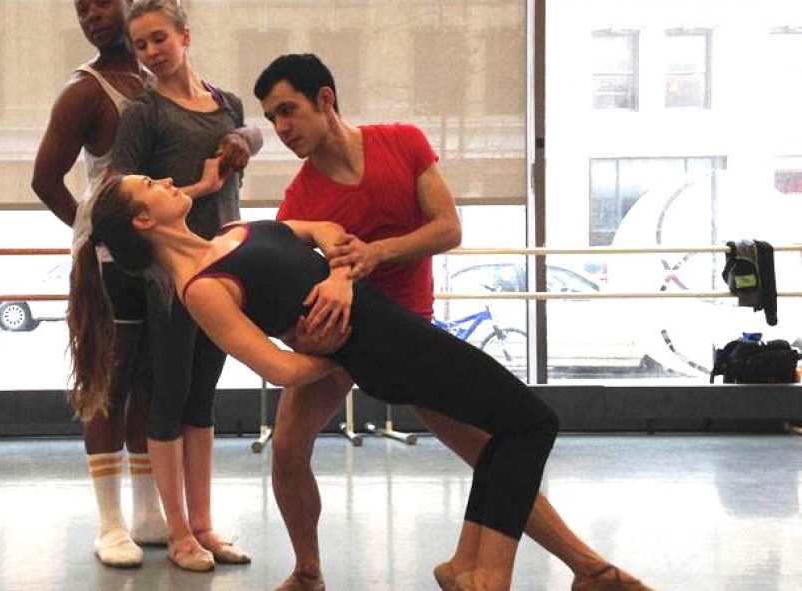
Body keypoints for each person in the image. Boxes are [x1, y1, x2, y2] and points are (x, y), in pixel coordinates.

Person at [252, 53, 658, 591]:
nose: (281, 128)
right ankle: (308, 572)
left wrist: (375, 254)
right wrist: (304, 336)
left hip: (409, 335)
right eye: (272, 118)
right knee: (286, 447)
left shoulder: (403, 143)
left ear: (325, 99)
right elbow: (292, 287)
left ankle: (586, 568)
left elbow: (448, 228)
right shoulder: (300, 201)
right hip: (347, 337)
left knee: (493, 447)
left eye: (288, 110)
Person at [73, 172, 561, 591]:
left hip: (389, 326)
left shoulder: (231, 230)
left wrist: (338, 274)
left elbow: (321, 229)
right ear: (143, 220)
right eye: (150, 184)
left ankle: (466, 565)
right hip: (383, 349)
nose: (166, 181)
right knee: (533, 424)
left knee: (509, 432)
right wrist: (335, 354)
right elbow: (278, 368)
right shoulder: (201, 289)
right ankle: (487, 578)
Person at [107, 0, 262, 573]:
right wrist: (197, 190)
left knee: (203, 398)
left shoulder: (228, 104)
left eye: (159, 39)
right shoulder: (142, 112)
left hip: (222, 265)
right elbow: (122, 197)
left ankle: (203, 524)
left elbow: (247, 144)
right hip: (171, 275)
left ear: (185, 37)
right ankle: (177, 532)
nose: (151, 52)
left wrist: (248, 137)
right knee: (169, 397)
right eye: (140, 44)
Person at [30, 0, 163, 568]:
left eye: (101, 3)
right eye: (81, 10)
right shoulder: (84, 91)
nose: (91, 17)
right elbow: (45, 179)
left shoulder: (160, 77)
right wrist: (95, 234)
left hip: (162, 258)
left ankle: (148, 512)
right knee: (107, 383)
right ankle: (110, 524)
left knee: (150, 383)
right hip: (108, 263)